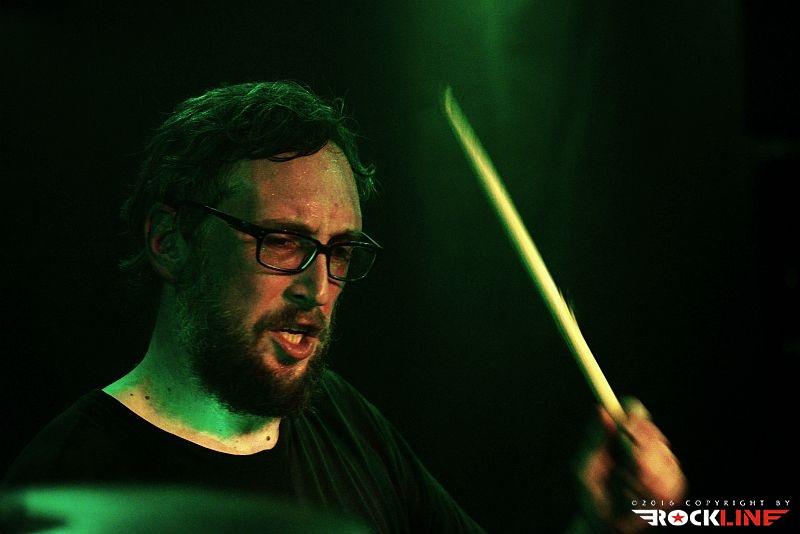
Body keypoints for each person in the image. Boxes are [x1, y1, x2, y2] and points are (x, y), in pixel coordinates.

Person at [4, 81, 685, 532]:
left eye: (340, 252)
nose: (318, 288)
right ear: (169, 241)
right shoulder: (69, 484)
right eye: (281, 241)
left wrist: (603, 524)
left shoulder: (342, 419)